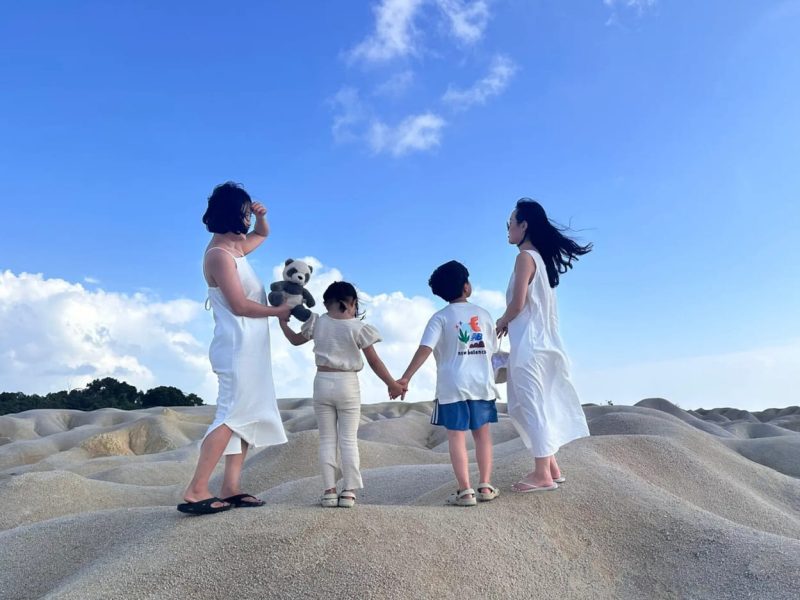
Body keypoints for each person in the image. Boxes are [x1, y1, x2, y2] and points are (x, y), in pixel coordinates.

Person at [178, 182, 292, 515]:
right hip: (236, 346)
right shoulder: (219, 255)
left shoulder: (235, 249)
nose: (247, 221)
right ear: (231, 216)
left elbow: (264, 235)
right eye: (243, 214)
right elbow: (240, 305)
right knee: (230, 415)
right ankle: (197, 488)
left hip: (251, 347)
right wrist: (279, 312)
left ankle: (231, 486)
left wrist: (262, 217)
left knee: (244, 416)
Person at [495, 198, 592, 493]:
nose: (508, 229)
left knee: (530, 406)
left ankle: (542, 475)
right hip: (545, 346)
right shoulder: (540, 260)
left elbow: (518, 303)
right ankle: (551, 467)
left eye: (510, 223)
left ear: (524, 225)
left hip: (530, 348)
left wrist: (501, 321)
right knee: (540, 404)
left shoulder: (525, 258)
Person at [279, 281, 405, 508]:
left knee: (327, 439)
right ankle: (348, 492)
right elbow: (374, 361)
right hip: (347, 384)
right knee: (348, 440)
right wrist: (392, 384)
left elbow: (294, 340)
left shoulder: (317, 322)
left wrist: (282, 322)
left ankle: (329, 491)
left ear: (326, 302)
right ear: (353, 303)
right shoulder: (358, 327)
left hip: (322, 382)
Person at [398, 261, 500, 507]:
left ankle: (465, 491)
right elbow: (493, 349)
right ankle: (485, 485)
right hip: (481, 384)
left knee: (456, 437)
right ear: (467, 287)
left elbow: (425, 348)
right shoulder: (484, 315)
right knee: (482, 436)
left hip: (451, 385)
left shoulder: (440, 318)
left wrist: (406, 377)